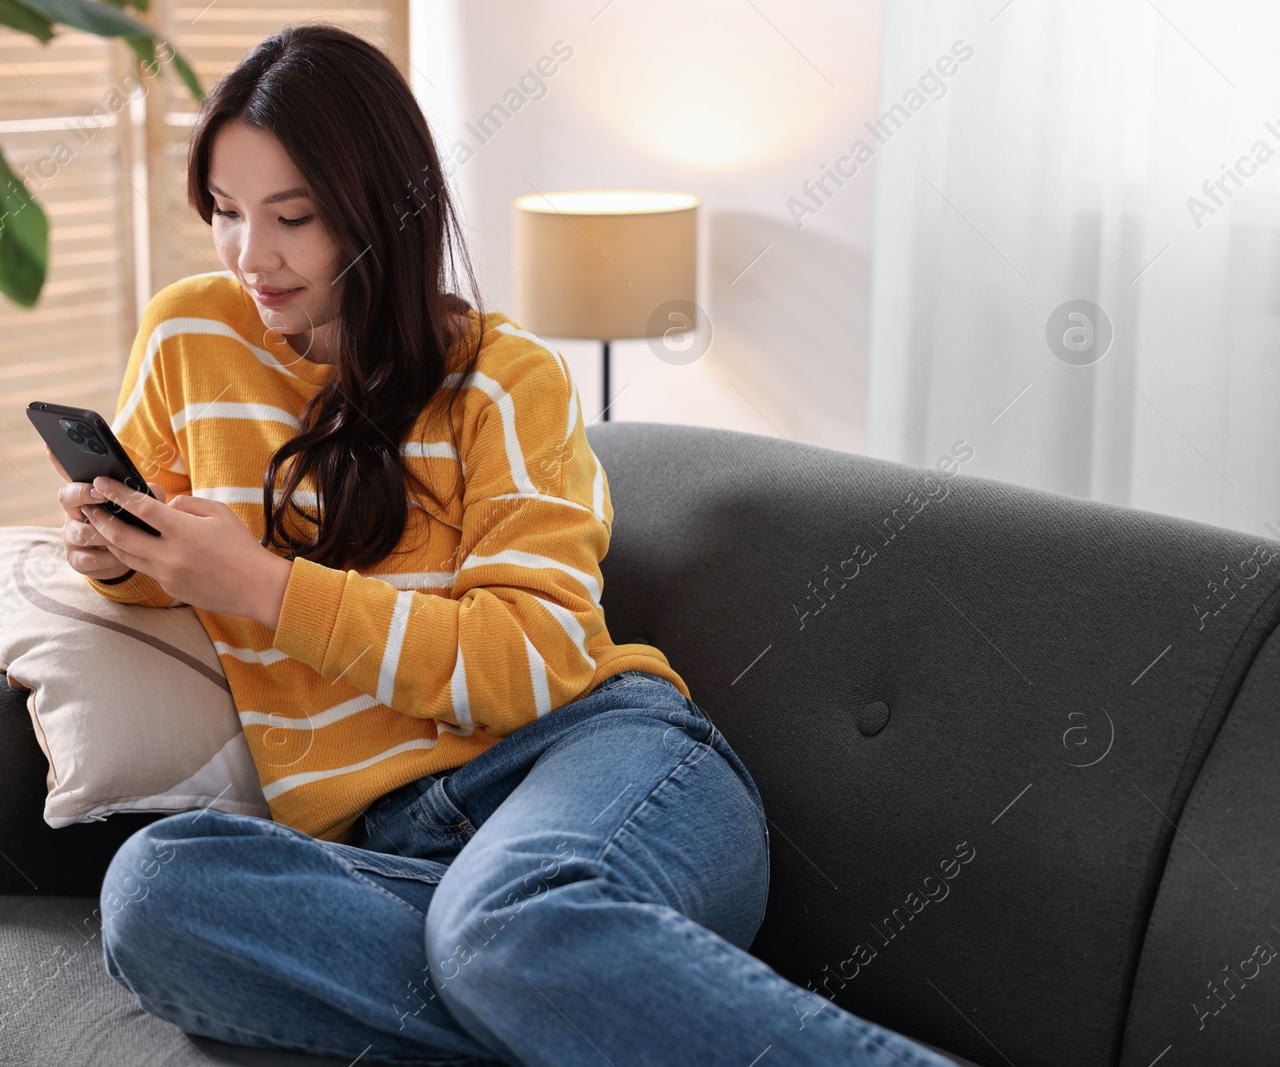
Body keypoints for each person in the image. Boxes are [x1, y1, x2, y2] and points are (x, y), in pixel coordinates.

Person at [50, 22, 959, 1067]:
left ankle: (558, 967)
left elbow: (526, 659)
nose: (251, 255)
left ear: (380, 213)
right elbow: (158, 554)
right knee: (159, 889)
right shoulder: (186, 336)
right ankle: (590, 993)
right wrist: (116, 555)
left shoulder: (501, 378)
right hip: (387, 855)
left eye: (291, 218)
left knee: (505, 920)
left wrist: (263, 584)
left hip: (595, 762)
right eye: (223, 211)